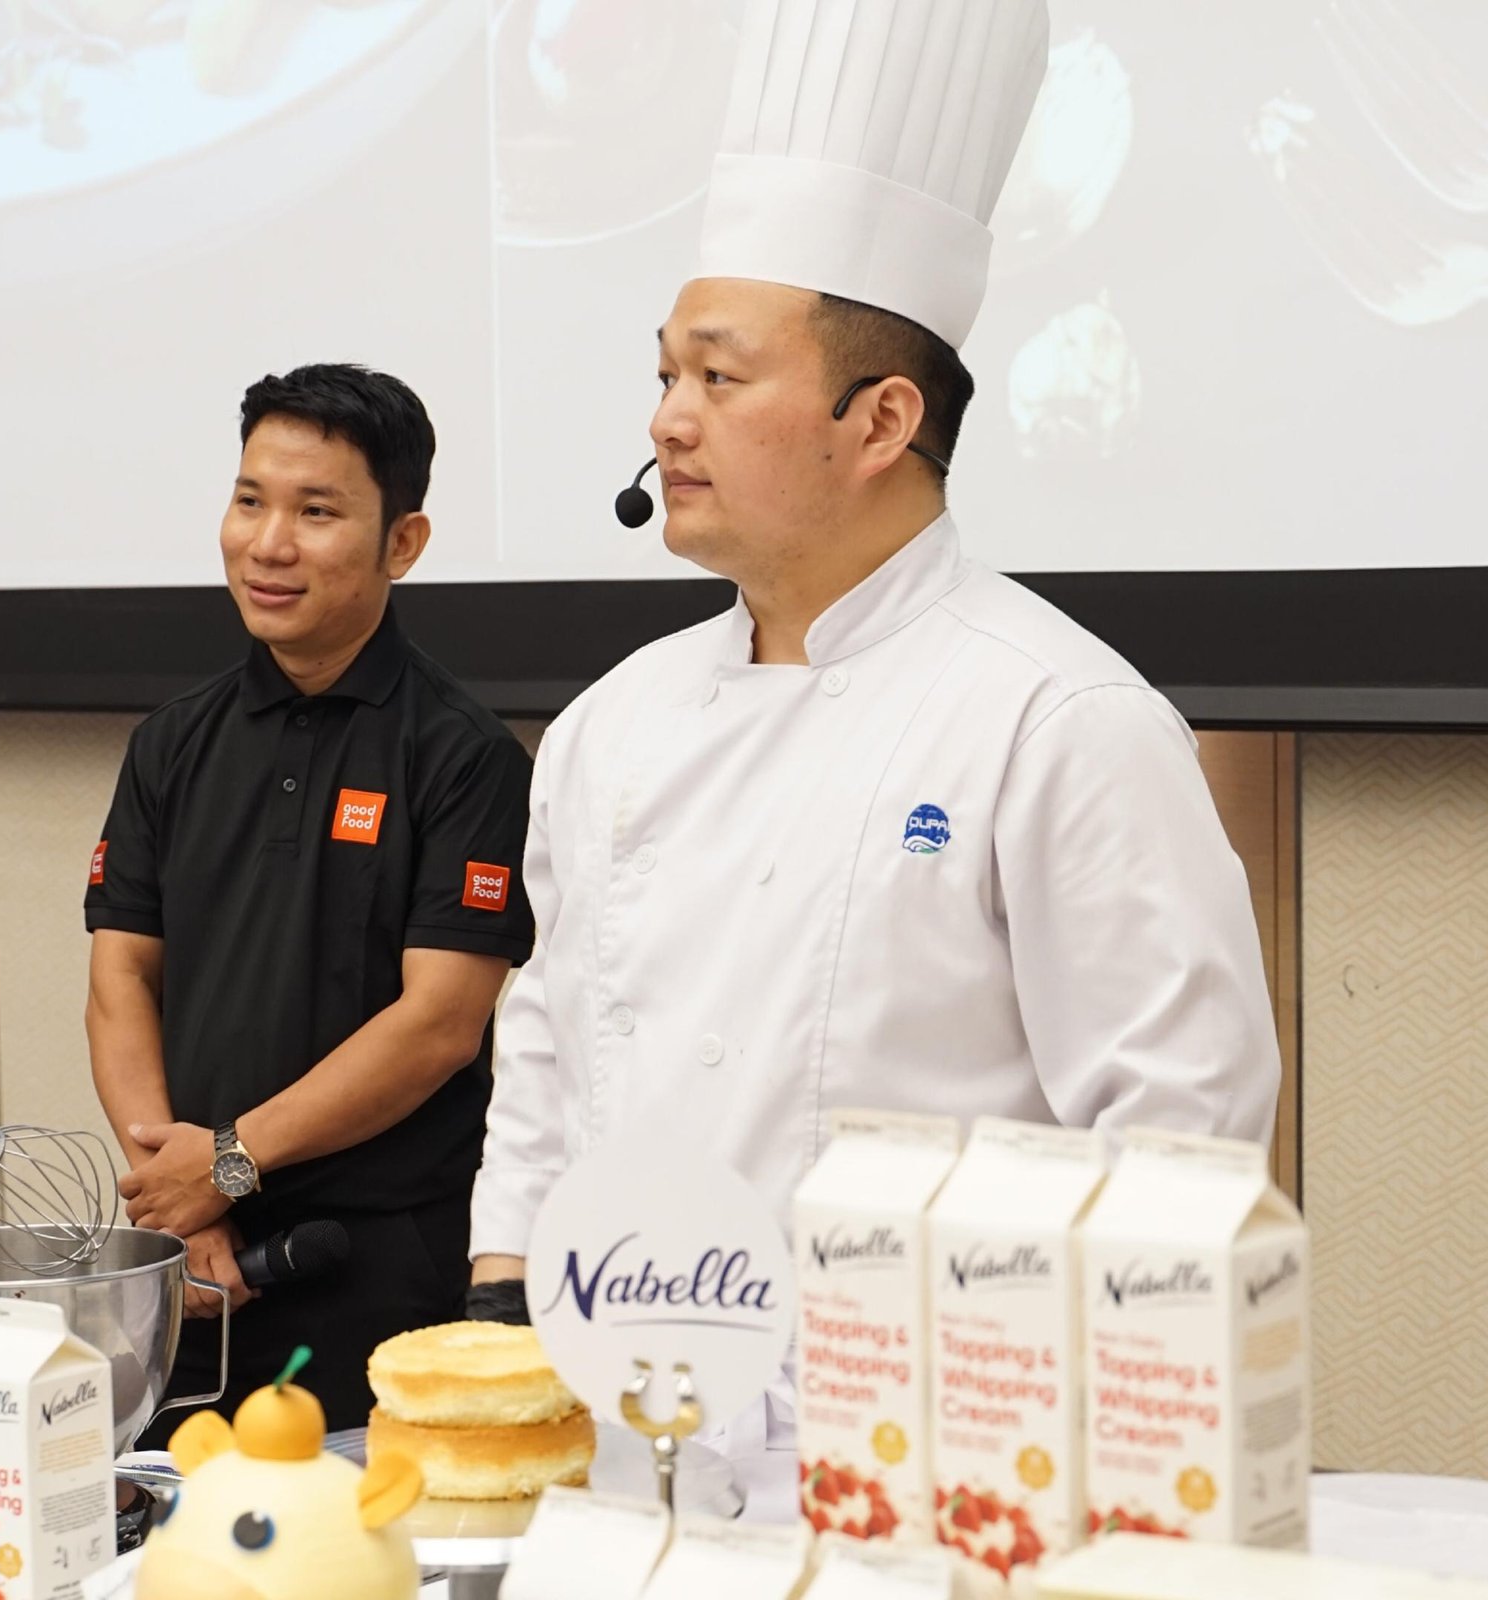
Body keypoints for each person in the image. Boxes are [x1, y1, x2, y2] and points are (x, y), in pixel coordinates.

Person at [466, 0, 1281, 1427]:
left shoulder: (1058, 719)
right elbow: (545, 1063)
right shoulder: (609, 723)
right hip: (620, 1445)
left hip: (938, 1457)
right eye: (665, 373)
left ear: (882, 423)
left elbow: (1178, 1145)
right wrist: (500, 1314)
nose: (666, 419)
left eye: (719, 376)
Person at [84, 363, 534, 1435]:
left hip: (378, 1268)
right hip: (195, 1264)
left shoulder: (462, 756)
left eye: (316, 512)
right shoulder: (172, 742)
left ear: (402, 543)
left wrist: (228, 1166)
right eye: (251, 501)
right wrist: (174, 1196)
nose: (269, 543)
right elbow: (120, 978)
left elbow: (440, 1023)